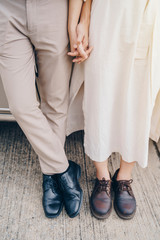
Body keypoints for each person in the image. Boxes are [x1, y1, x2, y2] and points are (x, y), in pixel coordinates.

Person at [67, 0, 160, 220]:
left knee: (139, 98)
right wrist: (84, 18)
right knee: (99, 94)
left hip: (148, 13)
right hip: (107, 11)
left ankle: (124, 177)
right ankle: (102, 177)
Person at [0, 0, 88, 219]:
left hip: (55, 9)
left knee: (55, 103)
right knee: (21, 106)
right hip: (7, 10)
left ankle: (50, 176)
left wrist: (77, 22)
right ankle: (64, 170)